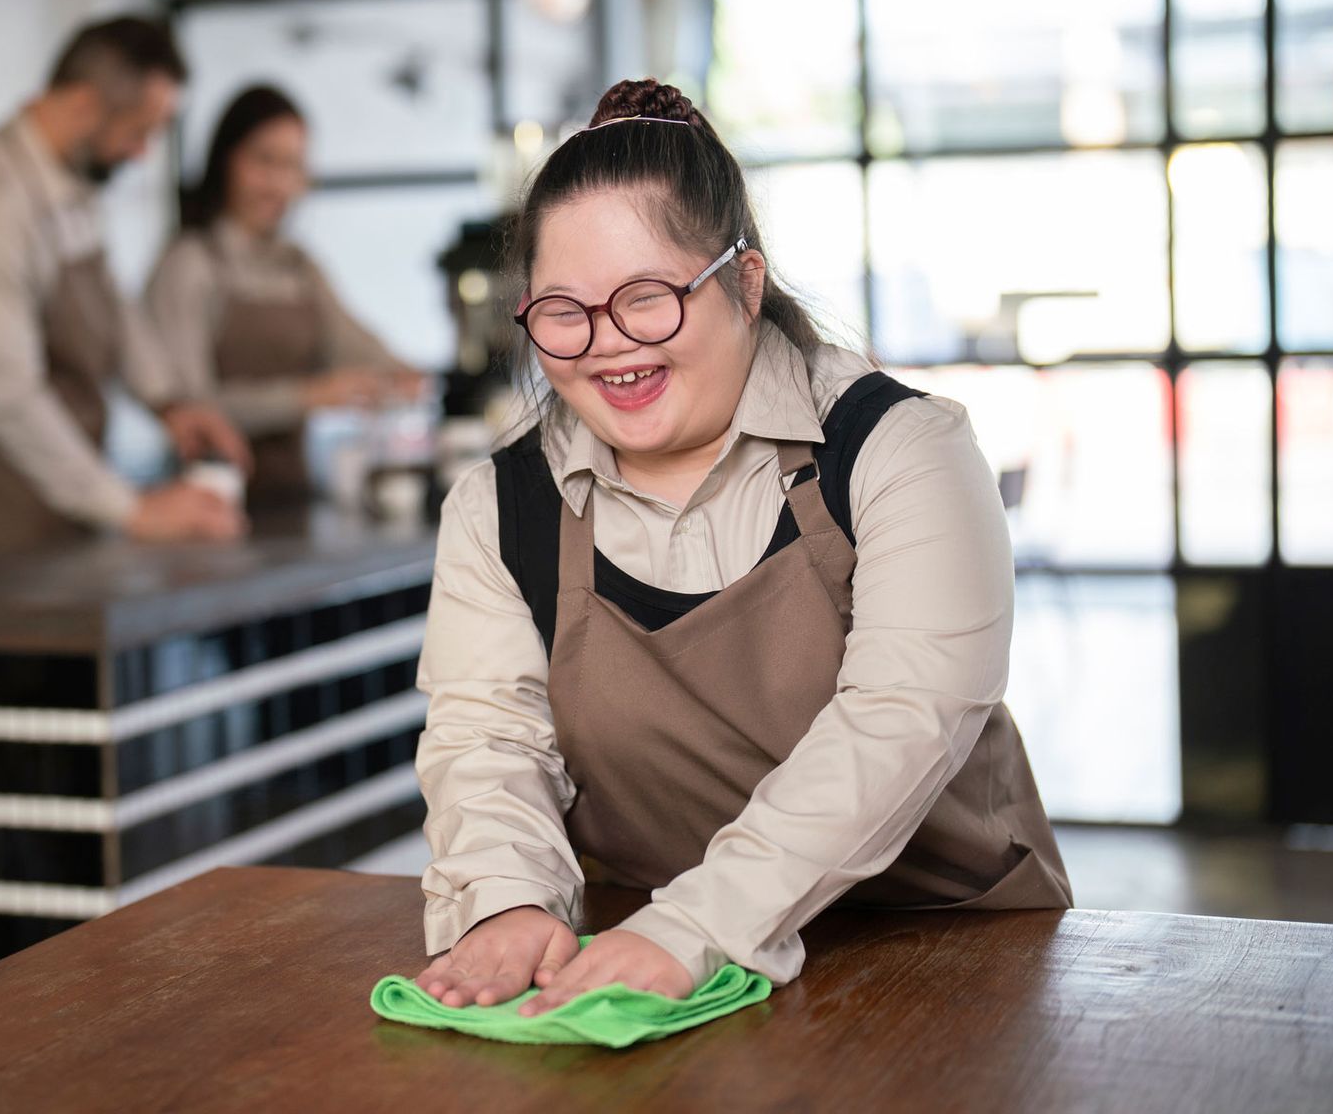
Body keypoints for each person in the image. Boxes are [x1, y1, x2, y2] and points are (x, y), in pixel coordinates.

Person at [412, 79, 1071, 1016]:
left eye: (646, 298)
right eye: (564, 311)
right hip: (642, 960)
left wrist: (697, 928)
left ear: (745, 283)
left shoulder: (898, 453)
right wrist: (507, 901)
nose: (608, 347)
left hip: (946, 955)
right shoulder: (500, 507)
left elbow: (899, 720)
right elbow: (489, 739)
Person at [0, 15, 250, 560]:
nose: (142, 154)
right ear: (82, 106)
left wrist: (169, 405)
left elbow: (111, 308)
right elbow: (7, 396)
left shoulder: (72, 187)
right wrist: (134, 510)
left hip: (68, 481)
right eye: (139, 132)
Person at [144, 85, 422, 509]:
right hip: (208, 502)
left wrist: (403, 375)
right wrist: (307, 398)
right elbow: (191, 407)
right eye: (264, 161)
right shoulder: (190, 263)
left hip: (292, 498)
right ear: (225, 160)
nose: (278, 184)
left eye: (292, 167)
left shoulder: (298, 267)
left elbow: (355, 346)